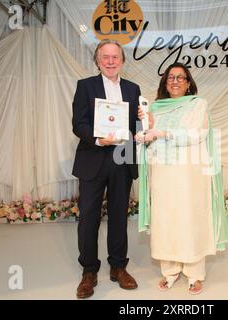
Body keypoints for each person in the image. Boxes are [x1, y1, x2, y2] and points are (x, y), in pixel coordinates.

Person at [136, 63, 228, 295]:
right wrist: (145, 129)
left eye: (180, 77)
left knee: (189, 218)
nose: (175, 81)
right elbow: (151, 138)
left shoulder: (198, 104)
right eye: (170, 77)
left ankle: (194, 273)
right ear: (164, 82)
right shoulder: (155, 107)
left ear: (188, 83)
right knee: (165, 219)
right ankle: (170, 271)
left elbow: (198, 133)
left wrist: (163, 133)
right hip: (161, 172)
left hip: (189, 174)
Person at [72, 39, 140, 298]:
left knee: (119, 215)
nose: (111, 61)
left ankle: (118, 267)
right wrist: (100, 138)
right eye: (106, 57)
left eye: (115, 57)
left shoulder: (133, 89)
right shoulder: (85, 86)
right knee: (88, 218)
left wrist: (143, 126)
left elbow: (135, 124)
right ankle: (89, 271)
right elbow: (78, 123)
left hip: (123, 158)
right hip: (93, 158)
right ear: (98, 61)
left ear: (122, 61)